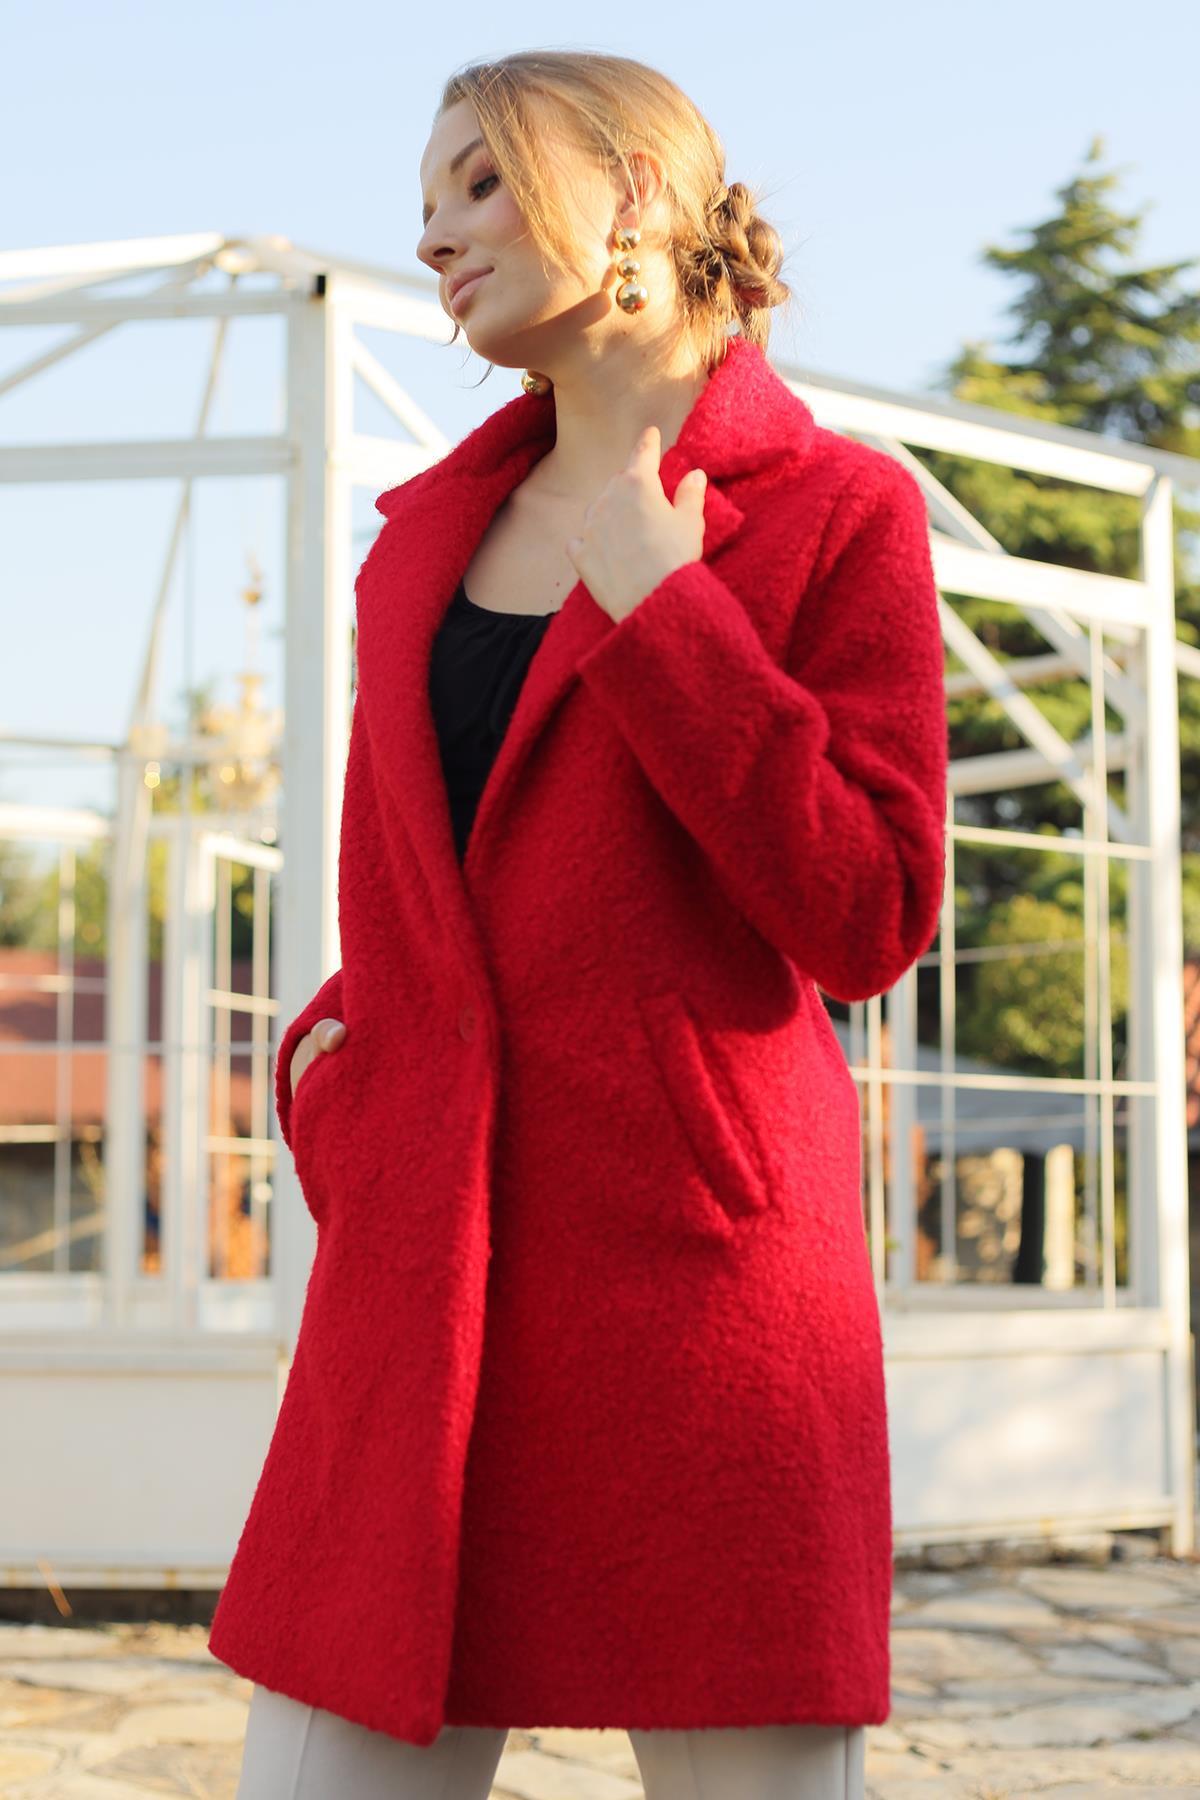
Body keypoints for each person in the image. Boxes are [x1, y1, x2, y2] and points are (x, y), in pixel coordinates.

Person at [215, 47, 948, 1800]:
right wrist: (338, 1067)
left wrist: (671, 618)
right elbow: (424, 892)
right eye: (428, 202)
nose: (435, 237)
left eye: (480, 183)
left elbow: (869, 913)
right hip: (422, 1282)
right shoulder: (417, 546)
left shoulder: (839, 513)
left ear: (629, 197)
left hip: (695, 1299)